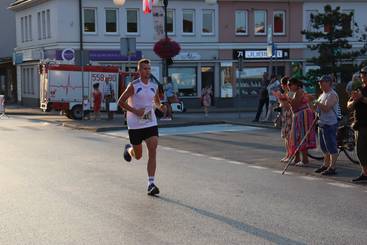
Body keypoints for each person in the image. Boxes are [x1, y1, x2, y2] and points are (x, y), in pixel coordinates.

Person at [117, 59, 165, 195]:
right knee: (138, 156)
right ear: (139, 71)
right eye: (144, 69)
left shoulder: (154, 86)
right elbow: (120, 102)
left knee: (153, 148)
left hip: (150, 122)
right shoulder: (133, 85)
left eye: (149, 69)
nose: (147, 71)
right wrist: (135, 111)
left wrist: (160, 106)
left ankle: (151, 183)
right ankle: (129, 149)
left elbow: (155, 100)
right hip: (135, 124)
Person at [313, 75, 340, 175]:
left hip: (330, 123)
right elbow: (317, 110)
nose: (320, 83)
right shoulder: (322, 94)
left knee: (331, 146)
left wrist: (316, 102)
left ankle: (332, 167)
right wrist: (311, 103)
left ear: (328, 83)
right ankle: (326, 164)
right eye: (319, 82)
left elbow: (326, 108)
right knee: (324, 147)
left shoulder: (332, 94)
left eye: (322, 82)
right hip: (322, 123)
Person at [287, 77, 316, 166]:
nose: (288, 86)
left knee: (302, 136)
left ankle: (304, 159)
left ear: (296, 85)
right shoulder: (295, 92)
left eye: (290, 84)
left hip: (302, 115)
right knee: (296, 137)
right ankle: (297, 158)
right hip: (298, 115)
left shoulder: (298, 92)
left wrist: (287, 100)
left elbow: (295, 105)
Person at [348, 66, 367, 183]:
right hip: (359, 124)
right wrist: (355, 99)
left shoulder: (361, 93)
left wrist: (362, 98)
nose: (363, 77)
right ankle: (365, 172)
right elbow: (349, 105)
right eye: (362, 75)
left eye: (365, 75)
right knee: (360, 151)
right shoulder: (359, 89)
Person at [275, 76, 292, 162]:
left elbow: (287, 106)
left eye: (282, 84)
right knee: (286, 136)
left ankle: (290, 155)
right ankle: (288, 154)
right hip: (284, 115)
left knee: (289, 137)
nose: (281, 85)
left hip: (289, 115)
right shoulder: (285, 93)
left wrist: (280, 98)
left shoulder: (289, 93)